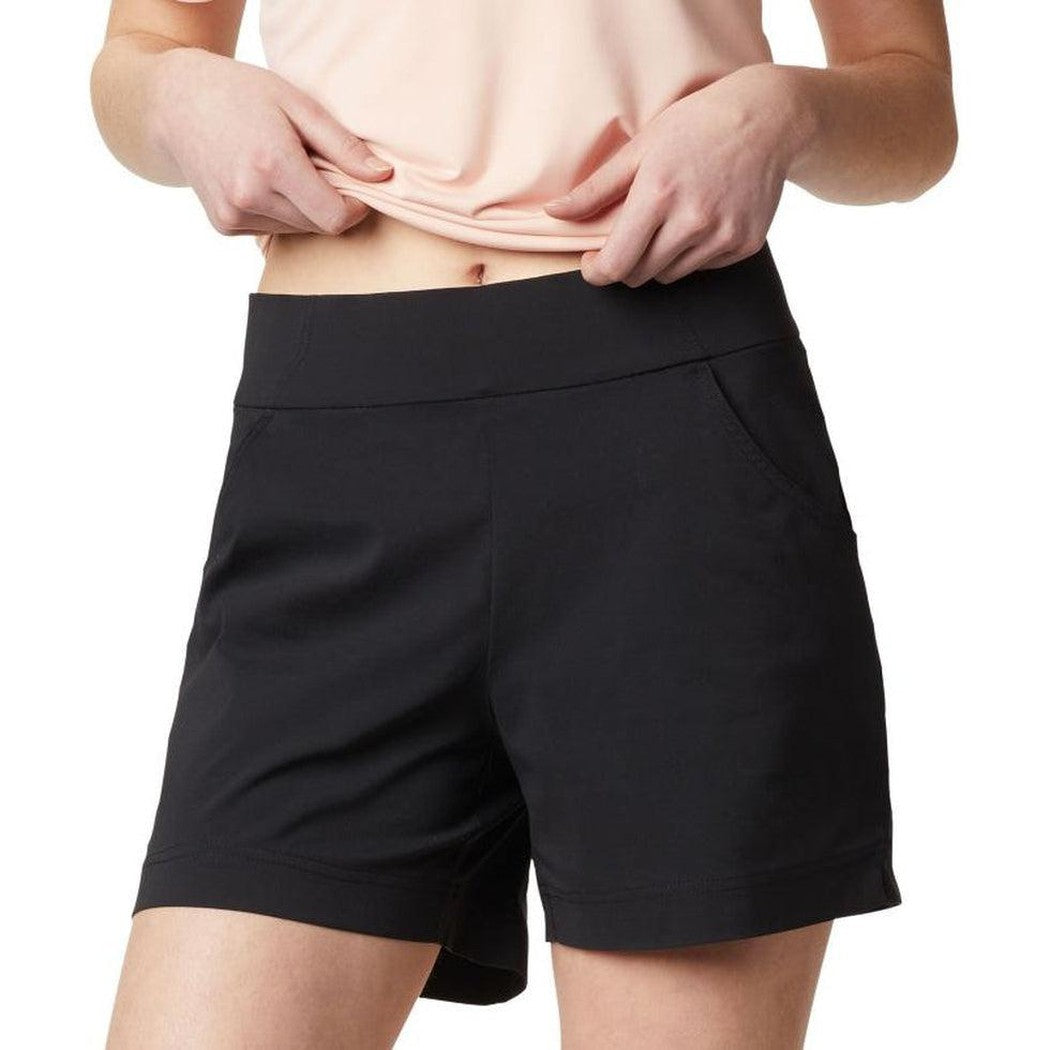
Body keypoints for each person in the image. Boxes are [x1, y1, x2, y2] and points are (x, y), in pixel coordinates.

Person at [91, 1, 955, 1046]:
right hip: (334, 454)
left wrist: (786, 114)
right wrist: (177, 95)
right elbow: (140, 53)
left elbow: (913, 100)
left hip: (667, 452)